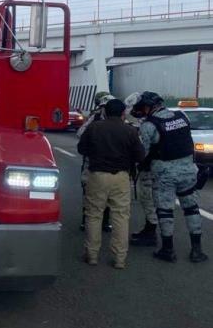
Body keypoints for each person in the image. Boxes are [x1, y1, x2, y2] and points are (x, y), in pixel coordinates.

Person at [134, 91, 208, 263]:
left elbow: (142, 153)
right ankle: (197, 250)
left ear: (149, 106)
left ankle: (168, 250)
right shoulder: (182, 116)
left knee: (165, 210)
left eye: (143, 107)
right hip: (189, 170)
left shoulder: (149, 125)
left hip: (164, 173)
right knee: (191, 209)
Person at [77, 99, 146, 269]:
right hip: (121, 177)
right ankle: (119, 259)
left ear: (105, 112)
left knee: (93, 215)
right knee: (121, 216)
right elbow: (140, 156)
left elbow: (81, 149)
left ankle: (92, 255)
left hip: (97, 175)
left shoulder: (94, 127)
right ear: (123, 114)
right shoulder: (130, 131)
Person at [77, 91, 115, 232]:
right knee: (88, 191)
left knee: (109, 194)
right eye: (103, 106)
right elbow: (80, 133)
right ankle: (85, 220)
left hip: (111, 163)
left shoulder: (119, 120)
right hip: (91, 162)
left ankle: (105, 222)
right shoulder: (95, 118)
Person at [124, 92, 158, 246]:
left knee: (148, 199)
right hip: (167, 169)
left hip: (150, 169)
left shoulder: (148, 124)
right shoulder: (169, 117)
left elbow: (142, 152)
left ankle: (151, 232)